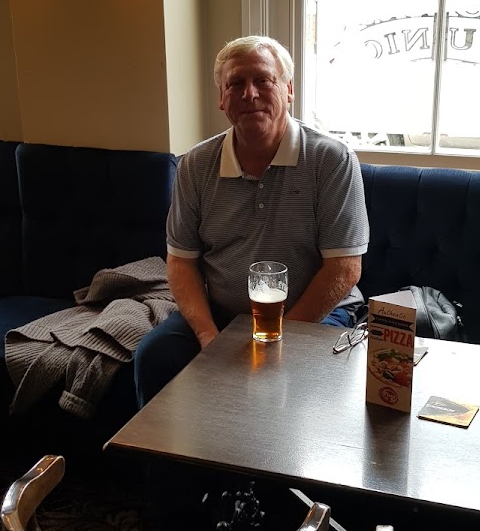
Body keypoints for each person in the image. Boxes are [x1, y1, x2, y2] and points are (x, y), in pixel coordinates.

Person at [134, 34, 369, 408]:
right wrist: (208, 337)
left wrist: (278, 337)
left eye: (263, 80)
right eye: (235, 84)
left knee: (289, 383)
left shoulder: (332, 160)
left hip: (314, 314)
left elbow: (344, 268)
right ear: (221, 98)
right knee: (154, 358)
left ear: (288, 90)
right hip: (222, 314)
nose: (249, 93)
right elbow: (181, 262)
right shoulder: (195, 165)